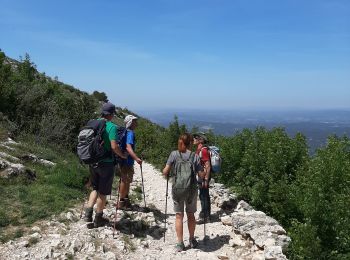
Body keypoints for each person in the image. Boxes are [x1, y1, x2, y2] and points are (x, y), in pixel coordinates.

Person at [84, 102, 127, 227]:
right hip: (106, 164)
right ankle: (98, 218)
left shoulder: (92, 123)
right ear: (112, 114)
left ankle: (88, 214)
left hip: (93, 161)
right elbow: (114, 146)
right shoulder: (111, 127)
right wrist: (122, 155)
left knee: (95, 188)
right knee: (103, 192)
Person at [163, 133, 204, 252]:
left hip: (178, 189)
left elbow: (165, 171)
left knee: (179, 216)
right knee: (191, 215)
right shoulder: (194, 156)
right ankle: (192, 240)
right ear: (190, 143)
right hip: (191, 189)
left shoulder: (174, 154)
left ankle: (180, 244)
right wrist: (204, 172)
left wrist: (167, 172)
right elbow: (200, 174)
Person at [117, 115, 142, 209]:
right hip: (127, 161)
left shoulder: (126, 132)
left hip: (123, 160)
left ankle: (125, 200)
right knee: (125, 180)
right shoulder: (130, 133)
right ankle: (122, 202)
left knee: (126, 180)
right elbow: (128, 147)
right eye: (135, 121)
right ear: (131, 122)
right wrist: (136, 158)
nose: (137, 123)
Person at [193, 132, 211, 222]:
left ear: (200, 140)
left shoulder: (203, 150)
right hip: (202, 175)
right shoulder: (200, 149)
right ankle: (207, 215)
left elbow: (207, 165)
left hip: (203, 176)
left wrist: (206, 179)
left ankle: (205, 216)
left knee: (203, 195)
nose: (193, 139)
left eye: (195, 138)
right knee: (204, 195)